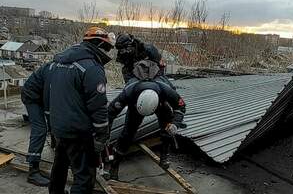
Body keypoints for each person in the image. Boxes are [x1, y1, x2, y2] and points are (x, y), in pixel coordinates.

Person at [48, 27, 115, 194]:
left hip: (58, 126)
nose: (107, 52)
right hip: (78, 131)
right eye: (106, 47)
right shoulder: (91, 67)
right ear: (99, 43)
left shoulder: (59, 62)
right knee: (84, 177)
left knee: (60, 166)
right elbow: (98, 104)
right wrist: (102, 133)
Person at [108, 60, 186, 180]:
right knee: (127, 134)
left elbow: (180, 106)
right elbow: (111, 112)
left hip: (161, 104)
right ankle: (114, 165)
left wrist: (175, 124)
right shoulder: (129, 91)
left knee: (167, 126)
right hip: (136, 108)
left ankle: (164, 154)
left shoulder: (166, 90)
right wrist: (104, 133)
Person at [21, 62, 54, 187]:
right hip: (31, 96)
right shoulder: (54, 72)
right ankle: (33, 172)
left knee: (52, 127)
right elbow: (48, 101)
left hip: (39, 95)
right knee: (40, 130)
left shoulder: (64, 67)